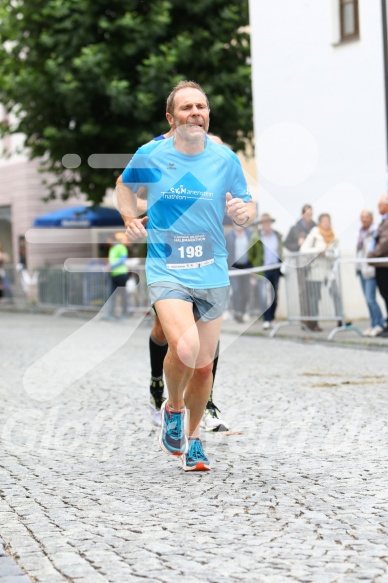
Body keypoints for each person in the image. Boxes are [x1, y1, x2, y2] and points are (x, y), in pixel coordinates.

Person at [116, 80, 256, 471]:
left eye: (201, 107)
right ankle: (172, 409)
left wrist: (245, 213)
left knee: (204, 366)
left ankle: (193, 439)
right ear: (170, 117)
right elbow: (124, 186)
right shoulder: (152, 154)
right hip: (167, 266)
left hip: (211, 268)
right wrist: (129, 217)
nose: (195, 113)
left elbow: (244, 202)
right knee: (185, 347)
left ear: (208, 114)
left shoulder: (225, 159)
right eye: (186, 108)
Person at [119, 121, 228, 431]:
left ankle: (205, 402)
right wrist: (136, 216)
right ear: (172, 117)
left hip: (205, 254)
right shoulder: (155, 151)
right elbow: (132, 190)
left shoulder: (214, 153)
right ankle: (158, 385)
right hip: (166, 252)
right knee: (165, 331)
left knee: (206, 332)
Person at [300, 213, 342, 331]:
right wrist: (318, 251)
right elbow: (303, 249)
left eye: (328, 221)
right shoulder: (314, 233)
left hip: (329, 270)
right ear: (320, 223)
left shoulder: (335, 235)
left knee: (335, 294)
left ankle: (340, 320)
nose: (326, 223)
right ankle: (314, 323)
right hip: (316, 271)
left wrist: (327, 253)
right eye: (324, 221)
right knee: (315, 297)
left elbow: (337, 252)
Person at [248, 213, 283, 330]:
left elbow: (280, 251)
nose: (266, 225)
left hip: (275, 268)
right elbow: (250, 254)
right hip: (263, 269)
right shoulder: (256, 237)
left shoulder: (277, 236)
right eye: (264, 223)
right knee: (263, 295)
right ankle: (266, 319)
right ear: (261, 225)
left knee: (275, 295)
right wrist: (253, 268)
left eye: (268, 223)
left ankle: (271, 317)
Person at [284, 205, 316, 330]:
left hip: (314, 264)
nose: (309, 217)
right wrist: (297, 246)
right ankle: (305, 320)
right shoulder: (295, 228)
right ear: (302, 214)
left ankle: (314, 320)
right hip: (301, 264)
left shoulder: (315, 227)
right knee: (303, 292)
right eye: (307, 214)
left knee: (314, 292)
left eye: (311, 214)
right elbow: (287, 244)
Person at [356, 210, 385, 336]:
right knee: (367, 300)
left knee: (371, 299)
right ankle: (373, 324)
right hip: (361, 268)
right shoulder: (361, 231)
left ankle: (379, 324)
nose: (364, 219)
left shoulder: (374, 231)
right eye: (362, 217)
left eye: (367, 217)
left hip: (370, 269)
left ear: (372, 218)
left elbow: (373, 249)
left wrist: (370, 259)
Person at [367, 194, 388, 337]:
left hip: (384, 264)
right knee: (385, 296)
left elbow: (384, 243)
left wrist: (371, 255)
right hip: (380, 265)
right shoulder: (382, 221)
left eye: (380, 204)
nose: (378, 207)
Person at [225, 223, 253, 323]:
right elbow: (226, 252)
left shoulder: (250, 234)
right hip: (233, 269)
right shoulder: (229, 236)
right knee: (236, 290)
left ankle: (243, 310)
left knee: (246, 291)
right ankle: (237, 312)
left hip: (246, 268)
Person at [104, 232, 129, 319]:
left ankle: (124, 314)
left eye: (108, 240)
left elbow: (122, 260)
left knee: (122, 294)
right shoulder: (112, 249)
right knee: (112, 295)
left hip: (121, 274)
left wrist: (111, 266)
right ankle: (111, 313)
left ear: (111, 239)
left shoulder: (121, 247)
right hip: (113, 274)